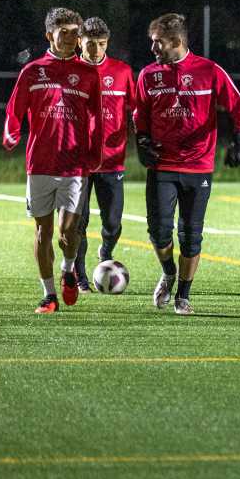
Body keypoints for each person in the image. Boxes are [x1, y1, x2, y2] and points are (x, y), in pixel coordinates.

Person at [135, 13, 240, 315]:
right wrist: (142, 141)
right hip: (162, 165)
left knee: (190, 234)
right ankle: (169, 272)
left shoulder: (208, 71)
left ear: (176, 42)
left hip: (198, 166)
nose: (153, 49)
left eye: (157, 43)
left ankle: (183, 295)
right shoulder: (148, 75)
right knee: (158, 232)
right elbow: (140, 115)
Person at [3, 7, 103, 313]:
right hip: (40, 165)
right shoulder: (32, 72)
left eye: (76, 32)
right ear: (50, 35)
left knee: (67, 233)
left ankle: (69, 269)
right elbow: (13, 110)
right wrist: (11, 134)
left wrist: (95, 154)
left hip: (75, 165)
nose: (72, 38)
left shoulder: (88, 74)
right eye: (65, 32)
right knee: (43, 232)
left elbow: (97, 117)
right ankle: (49, 296)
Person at [72, 16, 136, 291]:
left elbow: (136, 108)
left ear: (107, 42)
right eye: (90, 44)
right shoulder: (70, 71)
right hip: (77, 162)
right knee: (78, 222)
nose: (95, 50)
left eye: (100, 44)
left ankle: (106, 251)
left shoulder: (122, 71)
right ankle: (80, 275)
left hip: (113, 160)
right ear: (79, 43)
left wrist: (139, 130)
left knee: (112, 222)